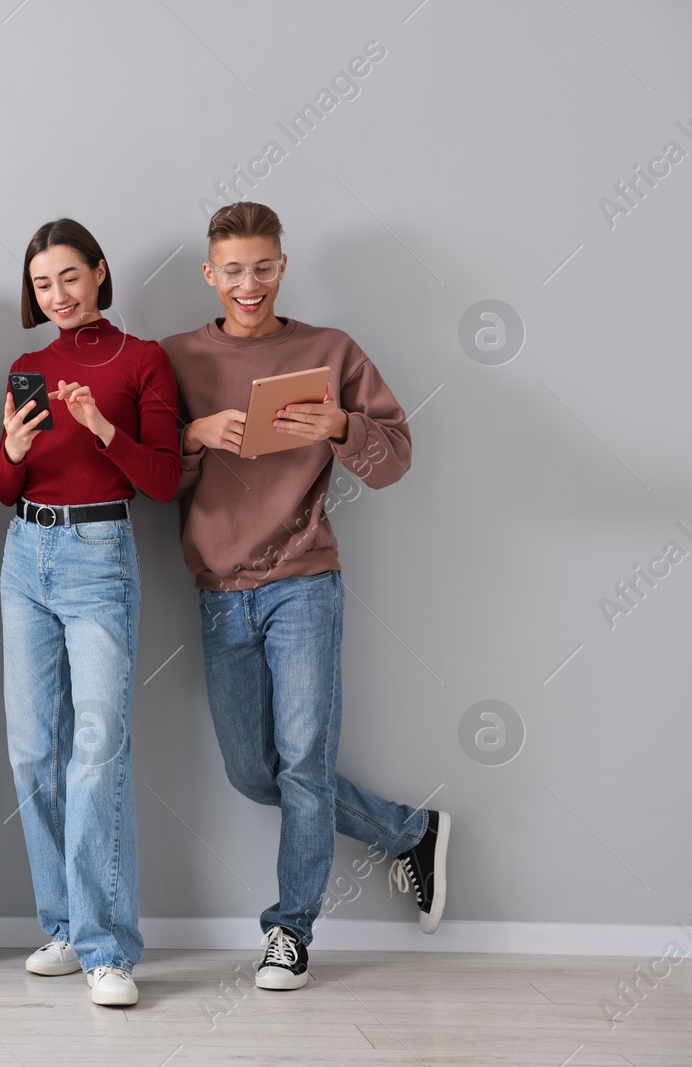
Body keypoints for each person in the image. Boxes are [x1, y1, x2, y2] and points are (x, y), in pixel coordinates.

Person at [162, 201, 450, 992]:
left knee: (306, 764)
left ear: (282, 267)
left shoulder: (330, 350)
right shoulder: (176, 357)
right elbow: (144, 475)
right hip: (219, 589)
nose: (247, 283)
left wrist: (339, 426)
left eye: (263, 267)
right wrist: (192, 437)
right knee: (257, 771)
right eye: (233, 269)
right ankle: (411, 830)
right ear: (209, 274)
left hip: (304, 583)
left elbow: (393, 459)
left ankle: (290, 930)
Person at [0, 219, 182, 1007]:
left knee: (97, 751)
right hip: (23, 553)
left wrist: (104, 429)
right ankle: (65, 926)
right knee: (34, 749)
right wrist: (8, 448)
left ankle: (109, 946)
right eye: (43, 283)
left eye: (70, 276)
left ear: (100, 274)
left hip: (100, 553)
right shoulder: (29, 366)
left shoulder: (144, 361)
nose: (58, 295)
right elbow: (4, 490)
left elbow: (164, 481)